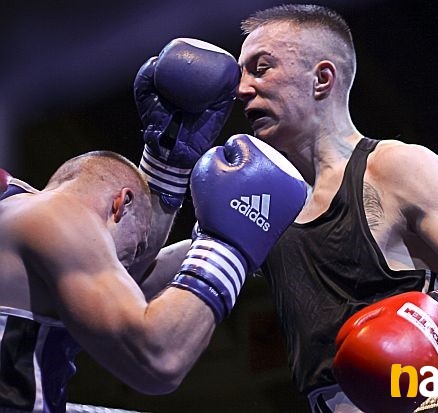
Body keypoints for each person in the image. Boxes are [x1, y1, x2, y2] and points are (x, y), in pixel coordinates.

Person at [236, 4, 438, 413]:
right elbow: (157, 284)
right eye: (240, 74)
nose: (242, 89)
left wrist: (434, 322)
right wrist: (165, 170)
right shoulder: (263, 205)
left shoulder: (395, 168)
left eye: (261, 69)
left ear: (322, 78)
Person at [0, 37, 307, 413]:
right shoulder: (60, 217)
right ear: (120, 203)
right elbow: (158, 359)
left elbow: (125, 288)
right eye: (133, 248)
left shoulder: (20, 211)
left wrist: (172, 172)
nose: (124, 268)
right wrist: (226, 250)